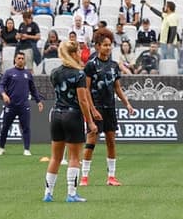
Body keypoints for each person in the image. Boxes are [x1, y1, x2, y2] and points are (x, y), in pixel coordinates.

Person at [43, 41, 97, 202]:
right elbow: (82, 101)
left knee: (55, 157)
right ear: (73, 54)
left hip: (56, 114)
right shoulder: (79, 74)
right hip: (72, 116)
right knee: (74, 157)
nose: (80, 54)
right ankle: (72, 193)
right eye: (79, 52)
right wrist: (90, 121)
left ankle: (48, 193)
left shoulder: (55, 73)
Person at [81, 28, 135, 186]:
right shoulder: (90, 65)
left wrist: (127, 104)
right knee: (91, 140)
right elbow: (86, 90)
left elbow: (117, 88)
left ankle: (111, 176)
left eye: (110, 45)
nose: (108, 47)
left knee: (111, 141)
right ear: (97, 46)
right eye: (105, 45)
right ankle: (84, 176)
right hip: (96, 107)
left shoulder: (114, 66)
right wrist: (92, 109)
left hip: (110, 108)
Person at [0, 52, 44, 156]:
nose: (21, 60)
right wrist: (4, 95)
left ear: (24, 60)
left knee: (26, 127)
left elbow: (33, 89)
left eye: (22, 58)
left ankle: (26, 149)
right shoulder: (9, 72)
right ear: (15, 60)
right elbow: (1, 86)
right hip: (10, 105)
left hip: (24, 106)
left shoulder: (28, 73)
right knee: (5, 127)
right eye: (19, 58)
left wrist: (38, 101)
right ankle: (1, 148)